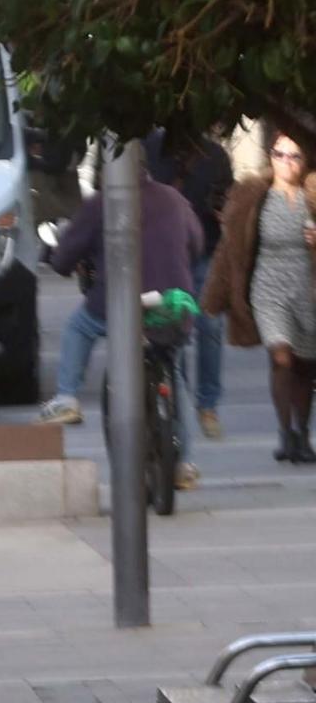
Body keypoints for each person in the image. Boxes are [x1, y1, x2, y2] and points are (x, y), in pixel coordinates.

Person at [38, 169, 205, 428]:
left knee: (79, 327)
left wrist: (59, 257)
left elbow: (63, 261)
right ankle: (184, 451)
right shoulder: (174, 198)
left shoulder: (101, 203)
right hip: (172, 303)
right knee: (174, 371)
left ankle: (66, 398)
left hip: (119, 306)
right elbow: (197, 245)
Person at [203, 131, 316, 462]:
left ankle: (302, 434)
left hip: (306, 289)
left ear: (305, 161)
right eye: (279, 154)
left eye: (293, 156)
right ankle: (285, 433)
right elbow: (230, 248)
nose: (285, 162)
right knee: (281, 357)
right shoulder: (254, 195)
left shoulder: (312, 195)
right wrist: (215, 296)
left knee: (305, 365)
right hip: (267, 287)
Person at [148, 130, 235, 439]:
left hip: (205, 252)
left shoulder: (215, 155)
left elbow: (227, 198)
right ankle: (179, 400)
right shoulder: (150, 149)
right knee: (174, 329)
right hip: (166, 257)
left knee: (211, 327)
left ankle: (208, 405)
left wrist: (222, 208)